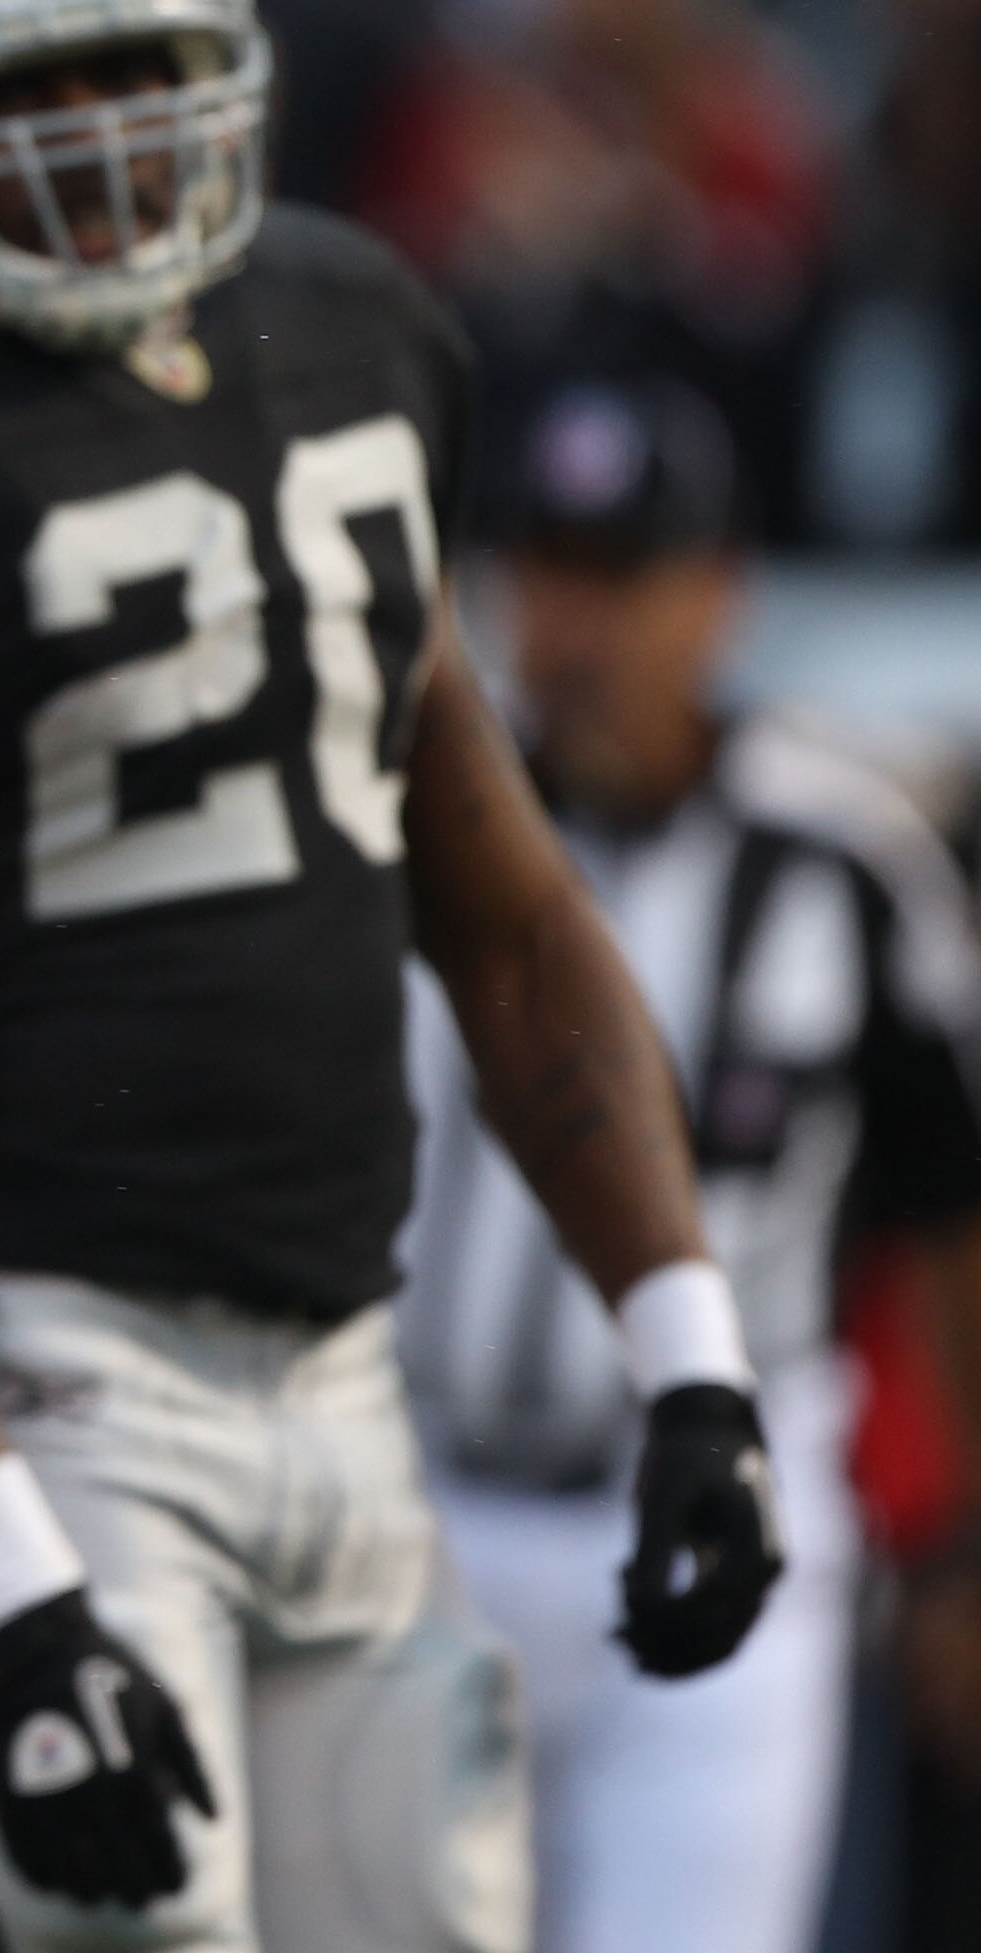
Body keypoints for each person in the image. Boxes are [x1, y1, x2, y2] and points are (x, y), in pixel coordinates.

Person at [0, 0, 776, 1953]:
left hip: (348, 1357)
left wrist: (686, 1345)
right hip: (37, 1366)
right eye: (7, 101)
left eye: (124, 78)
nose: (80, 150)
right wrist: (1, 1565)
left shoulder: (344, 335)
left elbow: (504, 909)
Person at [397, 378, 981, 1953]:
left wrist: (954, 1549)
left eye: (627, 579)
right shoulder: (391, 822)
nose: (579, 628)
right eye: (549, 572)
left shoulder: (847, 858)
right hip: (413, 1506)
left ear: (722, 594)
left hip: (725, 1517)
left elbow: (940, 1215)